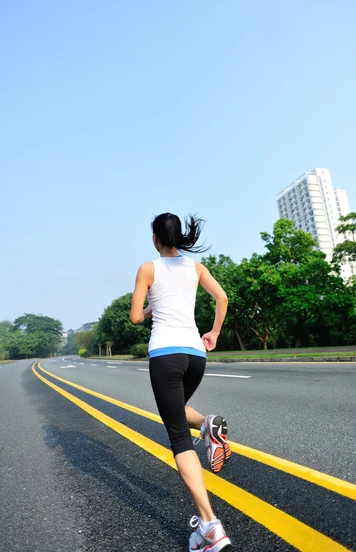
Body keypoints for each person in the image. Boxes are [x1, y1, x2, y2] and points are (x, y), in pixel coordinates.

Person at [130, 212, 232, 552]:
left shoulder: (148, 268)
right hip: (195, 356)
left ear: (156, 239)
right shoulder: (196, 267)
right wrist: (214, 333)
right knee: (177, 413)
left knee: (176, 434)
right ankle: (207, 425)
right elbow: (222, 298)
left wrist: (145, 310)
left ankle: (210, 527)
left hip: (166, 355)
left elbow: (133, 317)